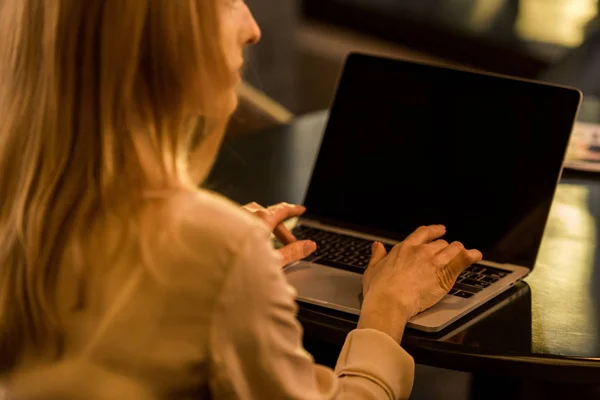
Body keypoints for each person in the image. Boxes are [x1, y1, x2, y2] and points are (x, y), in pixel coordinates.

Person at [0, 0, 482, 398]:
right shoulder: (215, 247)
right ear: (160, 34)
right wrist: (388, 308)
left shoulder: (21, 198)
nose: (252, 29)